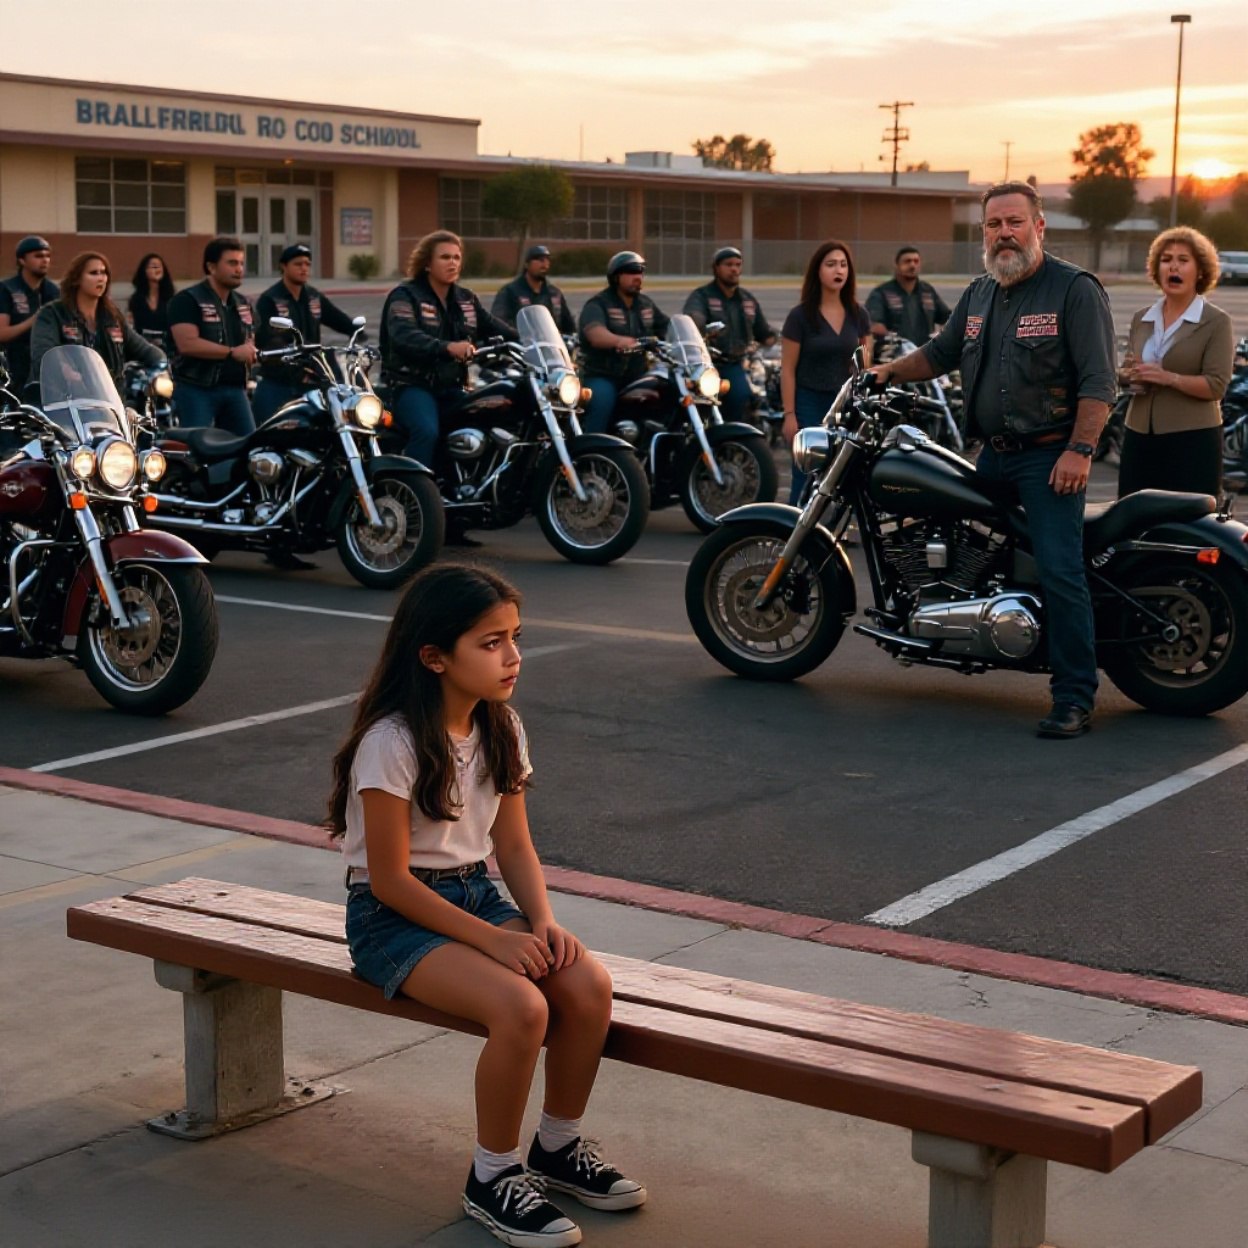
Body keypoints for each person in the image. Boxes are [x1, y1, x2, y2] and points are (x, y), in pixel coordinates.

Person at [327, 564, 645, 1248]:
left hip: (475, 891)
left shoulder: (502, 728)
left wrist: (543, 923)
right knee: (521, 1007)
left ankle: (557, 1149)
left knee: (586, 985)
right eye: (491, 642)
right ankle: (493, 1176)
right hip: (391, 918)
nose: (513, 656)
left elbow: (517, 847)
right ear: (435, 656)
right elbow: (388, 880)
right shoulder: (392, 744)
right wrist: (495, 942)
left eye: (515, 637)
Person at [868, 181, 1117, 740]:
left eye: (1014, 222)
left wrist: (1080, 449)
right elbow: (939, 353)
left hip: (1050, 457)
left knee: (1059, 567)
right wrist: (885, 373)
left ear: (1039, 226)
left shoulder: (1073, 290)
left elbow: (1101, 381)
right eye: (993, 224)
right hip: (994, 456)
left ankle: (1075, 695)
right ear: (983, 232)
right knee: (962, 539)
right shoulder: (981, 292)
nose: (1004, 233)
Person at [1118, 227, 1234, 499]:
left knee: (1185, 529)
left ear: (1201, 270)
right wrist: (1128, 377)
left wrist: (1168, 378)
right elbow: (1126, 368)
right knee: (1134, 521)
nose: (1173, 266)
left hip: (1191, 441)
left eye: (1183, 260)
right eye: (1166, 259)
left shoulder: (1216, 321)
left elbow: (1216, 386)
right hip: (1139, 437)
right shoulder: (1142, 318)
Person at [780, 241, 872, 503]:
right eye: (830, 264)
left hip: (845, 406)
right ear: (817, 271)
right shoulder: (800, 317)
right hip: (809, 402)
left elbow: (865, 367)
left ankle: (833, 535)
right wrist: (789, 415)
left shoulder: (859, 315)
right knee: (806, 472)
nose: (838, 270)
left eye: (843, 264)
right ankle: (794, 529)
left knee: (844, 473)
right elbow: (787, 369)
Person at [28, 251, 164, 400]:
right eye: (93, 273)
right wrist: (63, 369)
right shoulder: (53, 313)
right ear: (76, 279)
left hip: (109, 407)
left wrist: (160, 370)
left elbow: (148, 351)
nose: (101, 278)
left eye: (104, 273)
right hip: (62, 404)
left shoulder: (112, 317)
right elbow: (43, 354)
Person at [254, 244, 359, 423]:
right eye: (298, 264)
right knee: (267, 429)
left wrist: (358, 333)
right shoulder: (270, 299)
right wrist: (286, 349)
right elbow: (265, 338)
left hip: (310, 377)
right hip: (278, 379)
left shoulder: (313, 297)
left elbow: (340, 320)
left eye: (307, 264)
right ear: (283, 266)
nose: (304, 268)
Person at [166, 236, 257, 437]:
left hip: (235, 390)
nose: (239, 269)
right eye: (232, 263)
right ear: (211, 267)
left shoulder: (243, 303)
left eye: (241, 263)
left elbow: (252, 339)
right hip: (197, 389)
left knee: (248, 447)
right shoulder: (187, 300)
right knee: (195, 451)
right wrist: (232, 352)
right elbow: (187, 344)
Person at [578, 251, 670, 434]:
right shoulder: (598, 304)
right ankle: (591, 449)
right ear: (616, 276)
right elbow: (595, 334)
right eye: (631, 272)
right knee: (602, 401)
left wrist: (695, 337)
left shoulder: (645, 305)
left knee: (669, 392)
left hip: (637, 374)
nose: (637, 277)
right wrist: (620, 341)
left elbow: (668, 327)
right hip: (603, 375)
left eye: (640, 272)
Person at [683, 246, 775, 422]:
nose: (734, 269)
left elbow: (764, 332)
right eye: (728, 264)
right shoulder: (702, 296)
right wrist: (697, 322)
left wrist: (781, 339)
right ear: (716, 268)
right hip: (708, 364)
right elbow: (693, 319)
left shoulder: (747, 299)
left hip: (739, 363)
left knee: (761, 393)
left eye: (738, 265)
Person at [0, 236, 60, 397]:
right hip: (13, 366)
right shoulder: (7, 289)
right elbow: (2, 333)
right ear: (22, 260)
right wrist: (35, 320)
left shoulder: (53, 291)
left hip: (47, 367)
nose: (45, 260)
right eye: (38, 256)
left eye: (47, 256)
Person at [866, 246, 952, 348]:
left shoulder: (927, 291)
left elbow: (949, 318)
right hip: (896, 355)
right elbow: (874, 325)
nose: (912, 265)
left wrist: (942, 337)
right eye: (907, 261)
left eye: (916, 261)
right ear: (896, 265)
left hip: (926, 354)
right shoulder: (882, 293)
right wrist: (895, 341)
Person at [490, 244, 576, 337]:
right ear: (527, 264)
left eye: (547, 260)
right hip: (522, 346)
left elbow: (569, 327)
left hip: (553, 347)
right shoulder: (510, 292)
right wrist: (516, 335)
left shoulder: (554, 293)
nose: (545, 265)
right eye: (540, 260)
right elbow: (498, 322)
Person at [127, 252, 176, 346]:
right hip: (143, 348)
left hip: (167, 348)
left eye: (159, 266)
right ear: (144, 271)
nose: (157, 269)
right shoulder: (136, 300)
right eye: (153, 266)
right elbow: (132, 328)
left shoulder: (172, 299)